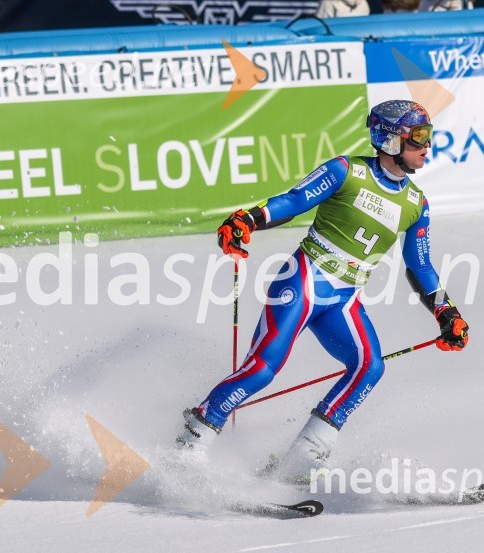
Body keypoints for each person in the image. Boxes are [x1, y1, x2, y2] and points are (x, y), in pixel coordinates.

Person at [177, 100, 469, 483]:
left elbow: (420, 266)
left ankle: (303, 457)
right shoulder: (345, 171)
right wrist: (247, 220)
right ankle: (192, 441)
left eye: (429, 137)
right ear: (391, 139)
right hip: (303, 282)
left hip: (344, 299)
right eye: (418, 138)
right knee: (264, 368)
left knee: (369, 367)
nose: (426, 147)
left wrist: (447, 314)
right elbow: (295, 201)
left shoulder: (417, 204)